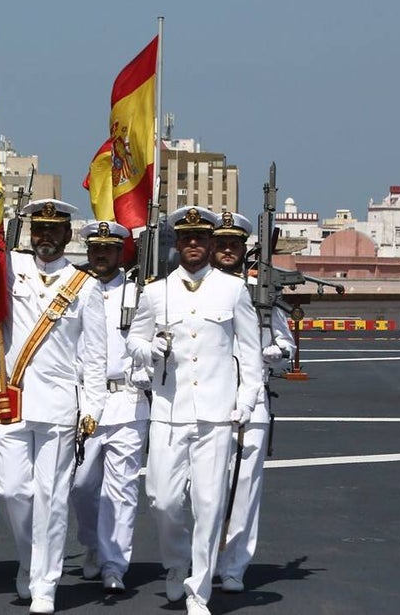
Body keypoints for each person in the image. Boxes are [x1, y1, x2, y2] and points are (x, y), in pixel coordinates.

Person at [125, 206, 264, 615]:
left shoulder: (232, 290)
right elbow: (135, 341)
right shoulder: (155, 292)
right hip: (169, 412)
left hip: (216, 415)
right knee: (164, 501)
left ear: (209, 243)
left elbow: (251, 355)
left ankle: (198, 589)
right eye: (185, 239)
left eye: (200, 239)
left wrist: (245, 401)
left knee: (209, 503)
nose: (192, 245)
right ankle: (175, 563)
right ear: (177, 244)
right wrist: (149, 350)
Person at [0, 199, 107, 615]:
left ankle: (45, 583)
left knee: (52, 498)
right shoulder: (8, 269)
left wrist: (92, 405)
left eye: (53, 231)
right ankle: (28, 559)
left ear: (67, 235)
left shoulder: (84, 285)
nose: (45, 237)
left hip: (59, 404)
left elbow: (94, 355)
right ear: (29, 234)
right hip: (11, 398)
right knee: (12, 490)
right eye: (38, 229)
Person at [210, 211, 295, 593]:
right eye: (222, 244)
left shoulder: (261, 292)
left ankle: (234, 567)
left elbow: (286, 346)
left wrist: (273, 353)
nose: (228, 250)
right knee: (203, 488)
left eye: (234, 244)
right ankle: (204, 558)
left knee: (245, 487)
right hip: (208, 399)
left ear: (245, 249)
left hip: (253, 398)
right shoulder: (198, 287)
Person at [68, 221, 148, 595]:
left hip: (128, 399)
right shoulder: (72, 291)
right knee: (82, 484)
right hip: (84, 399)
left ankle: (115, 563)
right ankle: (92, 545)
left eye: (109, 249)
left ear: (121, 253)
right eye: (95, 249)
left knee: (123, 488)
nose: (101, 255)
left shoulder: (138, 293)